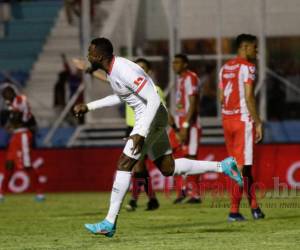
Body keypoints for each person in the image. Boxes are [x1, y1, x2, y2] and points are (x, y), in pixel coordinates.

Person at [73, 37, 243, 237]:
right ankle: (223, 166)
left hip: (150, 117)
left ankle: (109, 222)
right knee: (168, 168)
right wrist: (89, 106)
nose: (88, 55)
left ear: (99, 56)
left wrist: (141, 133)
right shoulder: (113, 70)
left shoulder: (124, 69)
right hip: (151, 118)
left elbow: (153, 97)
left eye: (90, 52)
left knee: (124, 163)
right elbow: (121, 96)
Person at [218, 34, 265, 221]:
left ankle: (255, 208)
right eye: (254, 47)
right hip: (242, 121)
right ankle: (233, 211)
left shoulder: (224, 67)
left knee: (244, 168)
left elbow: (221, 97)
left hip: (227, 120)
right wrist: (258, 122)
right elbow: (249, 96)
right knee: (241, 167)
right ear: (245, 47)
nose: (257, 51)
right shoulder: (248, 67)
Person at [125, 58, 162, 212]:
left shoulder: (155, 90)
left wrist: (175, 127)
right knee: (138, 167)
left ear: (149, 72)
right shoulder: (128, 88)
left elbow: (163, 110)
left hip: (145, 130)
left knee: (138, 167)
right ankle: (151, 199)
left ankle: (134, 200)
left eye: (143, 68)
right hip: (130, 130)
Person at [0, 86, 44, 202]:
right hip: (16, 135)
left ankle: (39, 193)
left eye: (8, 93)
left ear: (13, 93)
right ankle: (1, 194)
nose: (6, 96)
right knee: (9, 164)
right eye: (4, 94)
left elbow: (16, 117)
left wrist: (8, 123)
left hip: (23, 134)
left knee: (27, 165)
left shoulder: (19, 100)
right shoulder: (13, 103)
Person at [169, 54, 202, 204]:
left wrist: (186, 126)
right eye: (173, 62)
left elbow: (193, 103)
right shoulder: (180, 79)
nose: (174, 65)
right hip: (179, 123)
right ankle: (182, 191)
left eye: (177, 62)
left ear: (185, 64)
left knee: (191, 158)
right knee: (175, 156)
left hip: (190, 125)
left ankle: (195, 194)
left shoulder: (191, 77)